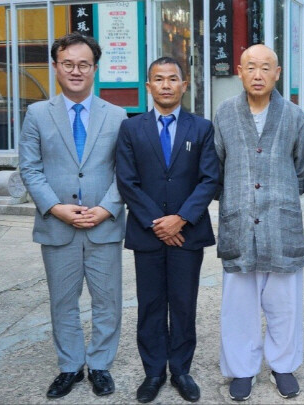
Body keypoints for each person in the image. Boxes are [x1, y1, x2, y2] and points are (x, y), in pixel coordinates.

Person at [19, 32, 126, 398]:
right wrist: (55, 207)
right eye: (68, 64)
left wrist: (106, 208)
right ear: (56, 67)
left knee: (107, 300)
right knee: (62, 301)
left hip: (103, 224)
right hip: (57, 225)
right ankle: (69, 366)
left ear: (95, 68)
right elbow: (30, 168)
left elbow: (123, 171)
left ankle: (99, 364)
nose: (76, 71)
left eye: (84, 64)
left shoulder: (117, 115)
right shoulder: (36, 114)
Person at [116, 56, 218, 403]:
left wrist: (181, 218)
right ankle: (154, 372)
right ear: (149, 86)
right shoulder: (131, 128)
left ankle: (181, 370)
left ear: (184, 85)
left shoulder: (201, 128)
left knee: (184, 303)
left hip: (187, 233)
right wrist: (157, 223)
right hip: (147, 233)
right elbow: (127, 181)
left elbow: (209, 179)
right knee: (151, 304)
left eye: (172, 79)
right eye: (158, 79)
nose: (165, 85)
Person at [214, 44, 304, 401]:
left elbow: (302, 167)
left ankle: (283, 366)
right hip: (239, 221)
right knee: (238, 304)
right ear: (239, 71)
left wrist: (279, 192)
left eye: (265, 68)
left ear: (278, 72)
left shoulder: (295, 116)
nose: (258, 74)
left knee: (284, 302)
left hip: (281, 221)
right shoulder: (224, 113)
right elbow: (219, 165)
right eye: (250, 67)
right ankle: (242, 369)